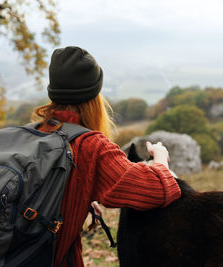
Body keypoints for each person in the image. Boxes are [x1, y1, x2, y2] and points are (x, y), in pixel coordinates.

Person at [32, 46, 181, 267]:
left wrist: (83, 196)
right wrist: (160, 157)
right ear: (94, 97)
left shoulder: (35, 132)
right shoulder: (89, 146)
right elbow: (156, 190)